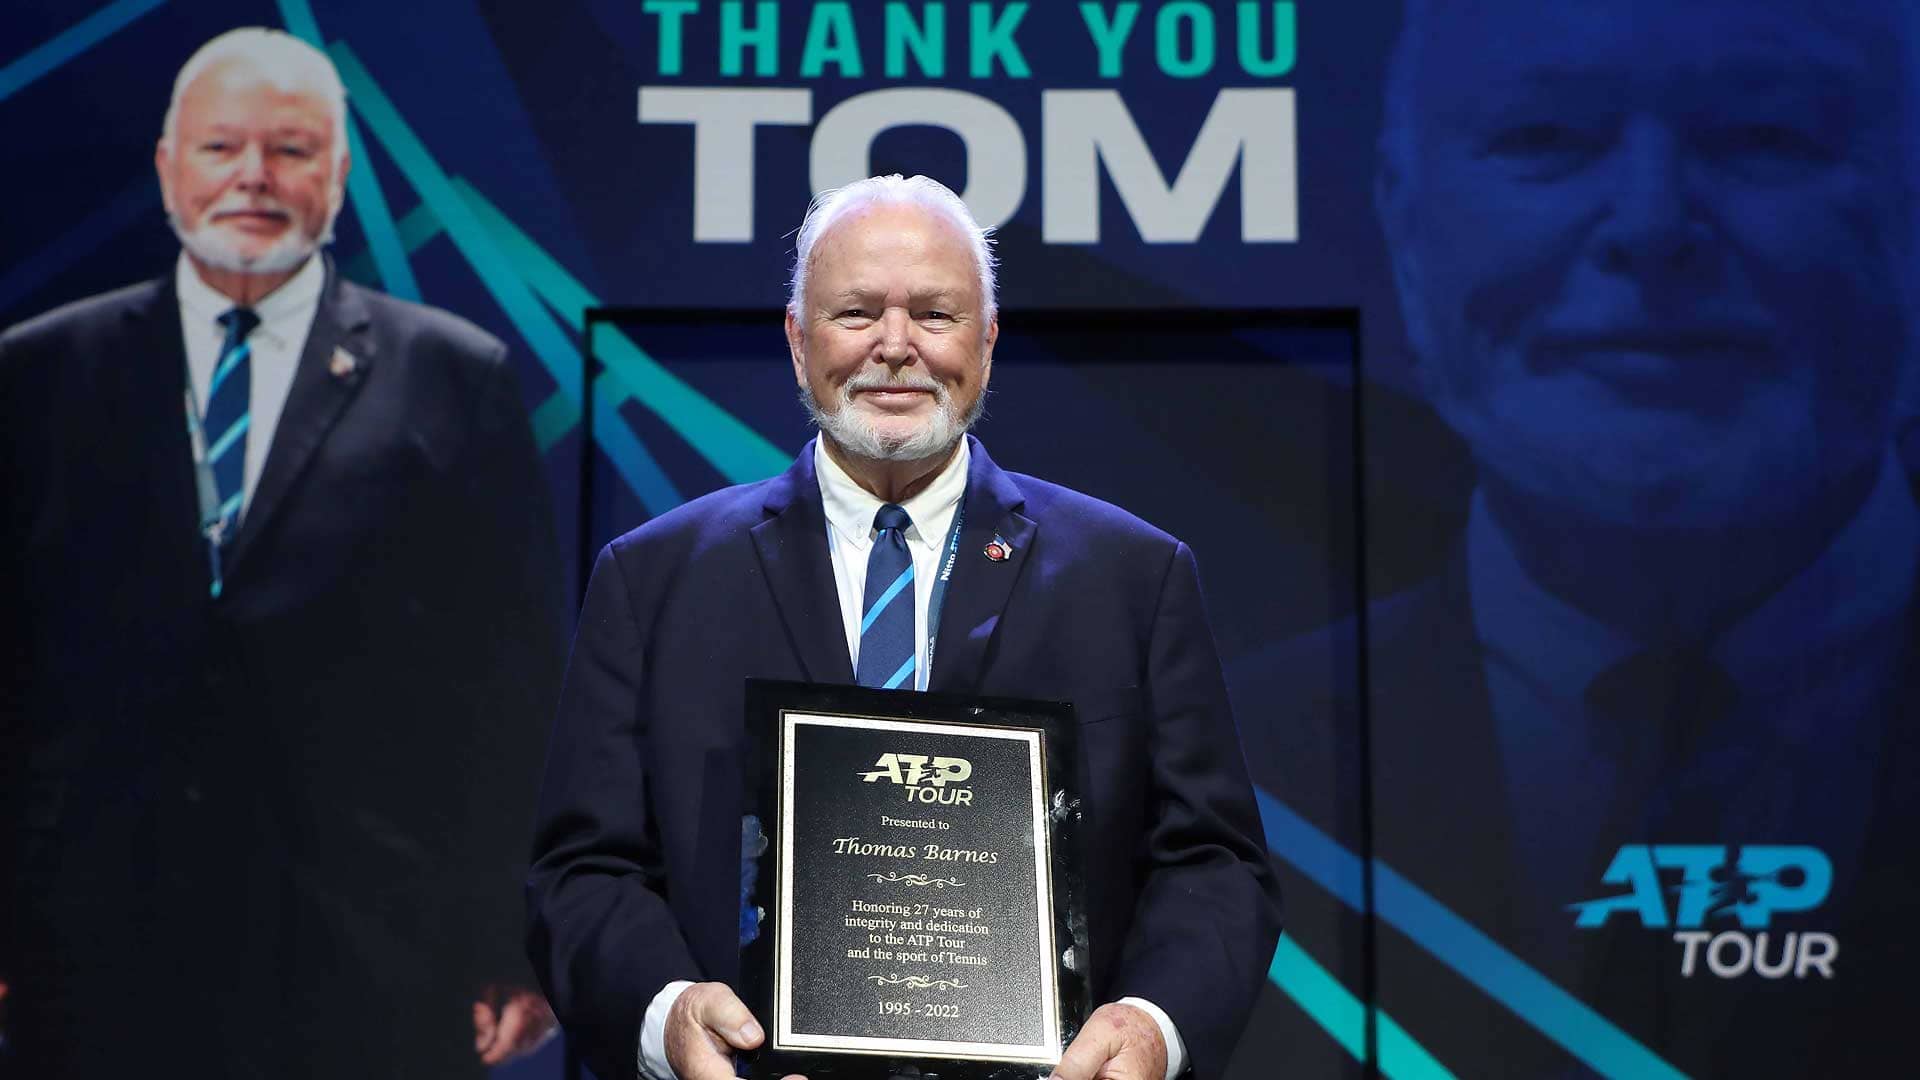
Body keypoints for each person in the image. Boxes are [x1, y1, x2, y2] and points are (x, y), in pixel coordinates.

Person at [1255, 0, 1920, 1074]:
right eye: (1543, 140)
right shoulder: (1221, 769)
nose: (1651, 225)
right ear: (1403, 219)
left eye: (1764, 137)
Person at [525, 174, 1282, 1080]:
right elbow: (579, 874)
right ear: (798, 342)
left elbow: (1216, 863)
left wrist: (1154, 1027)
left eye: (935, 313)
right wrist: (667, 1015)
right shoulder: (654, 580)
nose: (896, 347)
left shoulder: (1133, 577)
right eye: (855, 313)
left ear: (988, 342)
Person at [0, 28, 564, 1077]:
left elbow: (511, 685)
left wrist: (510, 943)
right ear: (168, 165)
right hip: (86, 953)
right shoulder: (36, 377)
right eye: (222, 147)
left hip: (371, 962)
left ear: (340, 175)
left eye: (292, 149)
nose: (254, 176)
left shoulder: (456, 377)